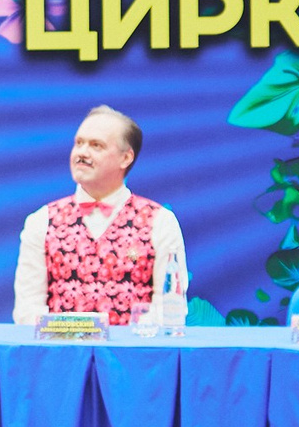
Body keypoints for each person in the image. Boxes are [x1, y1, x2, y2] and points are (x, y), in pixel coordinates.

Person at [12, 105, 187, 327]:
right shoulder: (41, 221)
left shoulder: (160, 222)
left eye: (96, 146)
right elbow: (27, 310)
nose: (82, 153)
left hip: (132, 357)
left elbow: (171, 308)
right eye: (79, 143)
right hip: (62, 356)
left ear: (125, 158)